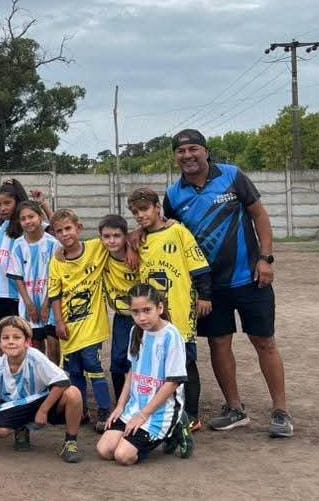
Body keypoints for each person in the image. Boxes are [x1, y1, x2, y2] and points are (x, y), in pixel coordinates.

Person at [162, 129, 292, 437]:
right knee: (219, 344)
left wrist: (266, 259)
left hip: (250, 278)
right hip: (209, 287)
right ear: (175, 157)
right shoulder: (173, 195)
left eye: (194, 149)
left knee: (264, 341)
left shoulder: (232, 176)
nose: (188, 156)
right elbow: (165, 230)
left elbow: (260, 216)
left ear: (206, 151)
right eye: (181, 151)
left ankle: (281, 411)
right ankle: (235, 408)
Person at [129, 188, 211, 430]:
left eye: (144, 209)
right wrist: (132, 243)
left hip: (180, 310)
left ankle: (192, 416)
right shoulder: (139, 239)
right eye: (135, 212)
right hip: (152, 315)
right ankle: (165, 411)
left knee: (185, 362)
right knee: (158, 362)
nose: (140, 215)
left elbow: (199, 266)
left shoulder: (178, 232)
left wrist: (204, 296)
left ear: (157, 208)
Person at [97, 284, 194, 464]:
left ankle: (176, 425)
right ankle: (152, 433)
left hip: (159, 411)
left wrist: (143, 416)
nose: (141, 317)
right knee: (105, 450)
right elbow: (132, 372)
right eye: (135, 312)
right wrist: (120, 406)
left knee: (123, 456)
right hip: (135, 406)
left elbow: (172, 383)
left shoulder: (172, 336)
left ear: (160, 308)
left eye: (147, 310)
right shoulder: (136, 331)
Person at [0, 316, 84, 462]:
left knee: (73, 393)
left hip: (41, 400)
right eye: (5, 338)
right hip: (15, 405)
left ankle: (70, 443)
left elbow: (63, 381)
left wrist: (43, 410)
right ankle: (21, 428)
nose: (11, 341)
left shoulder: (36, 357)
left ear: (27, 341)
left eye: (17, 337)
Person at [47, 209, 113, 431]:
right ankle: (81, 410)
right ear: (55, 234)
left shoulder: (96, 247)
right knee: (74, 370)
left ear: (79, 228)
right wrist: (59, 322)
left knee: (93, 365)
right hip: (69, 327)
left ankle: (105, 411)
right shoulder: (56, 262)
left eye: (68, 228)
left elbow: (121, 238)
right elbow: (55, 294)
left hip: (92, 326)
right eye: (59, 231)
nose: (65, 234)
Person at [7, 201, 61, 361]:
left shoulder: (53, 243)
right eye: (23, 218)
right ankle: (39, 374)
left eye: (31, 216)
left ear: (40, 217)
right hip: (29, 303)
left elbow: (56, 277)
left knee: (53, 343)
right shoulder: (18, 245)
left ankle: (54, 374)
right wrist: (29, 304)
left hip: (51, 300)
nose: (27, 221)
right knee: (35, 345)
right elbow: (18, 278)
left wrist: (46, 304)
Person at [96, 214, 139, 401]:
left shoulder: (139, 254)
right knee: (118, 361)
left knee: (141, 360)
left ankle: (143, 402)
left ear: (125, 236)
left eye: (116, 236)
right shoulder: (100, 253)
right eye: (107, 236)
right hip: (122, 316)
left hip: (143, 317)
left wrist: (132, 247)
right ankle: (121, 403)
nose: (111, 241)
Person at [0, 180, 31, 336]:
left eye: (7, 203)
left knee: (22, 336)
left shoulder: (24, 226)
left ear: (17, 202)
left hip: (18, 295)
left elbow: (52, 228)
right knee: (2, 336)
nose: (2, 208)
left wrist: (43, 204)